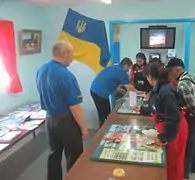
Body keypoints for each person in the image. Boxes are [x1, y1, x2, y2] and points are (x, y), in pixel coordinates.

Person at [36, 41, 88, 180]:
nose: (72, 59)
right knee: (74, 156)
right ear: (64, 53)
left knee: (54, 155)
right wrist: (83, 128)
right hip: (66, 122)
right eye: (71, 55)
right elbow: (75, 107)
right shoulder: (66, 75)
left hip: (49, 120)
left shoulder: (41, 70)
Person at [136, 64, 188, 180]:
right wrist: (142, 109)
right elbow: (157, 107)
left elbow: (173, 117)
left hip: (174, 129)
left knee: (173, 163)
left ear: (149, 77)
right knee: (167, 162)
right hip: (166, 125)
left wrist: (163, 137)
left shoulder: (166, 91)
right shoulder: (159, 88)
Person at [166, 58, 195, 179]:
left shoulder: (182, 84)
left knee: (188, 146)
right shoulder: (193, 77)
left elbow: (193, 106)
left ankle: (185, 173)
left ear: (177, 69)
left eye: (171, 71)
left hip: (193, 118)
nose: (170, 75)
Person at [90, 57, 141, 128]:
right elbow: (129, 87)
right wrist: (139, 93)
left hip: (94, 89)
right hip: (100, 93)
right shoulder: (122, 72)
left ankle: (104, 128)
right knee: (105, 115)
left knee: (105, 113)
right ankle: (103, 131)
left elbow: (110, 80)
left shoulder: (114, 66)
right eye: (129, 68)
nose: (128, 70)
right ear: (125, 65)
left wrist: (118, 89)